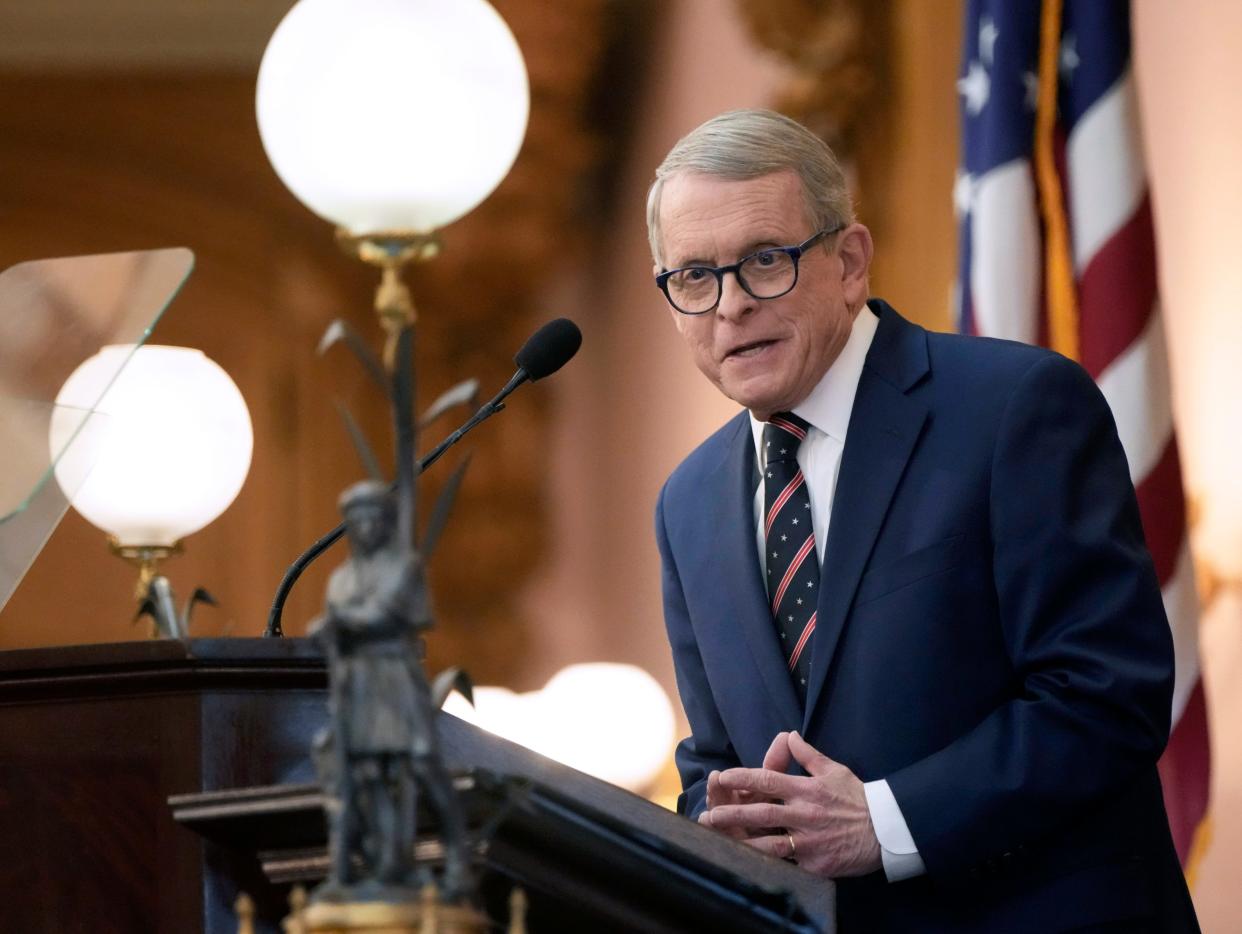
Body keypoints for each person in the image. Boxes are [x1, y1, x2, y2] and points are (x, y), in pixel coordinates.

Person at [650, 109, 1198, 932]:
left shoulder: (1014, 408)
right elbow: (713, 762)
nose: (729, 305)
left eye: (764, 260)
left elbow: (1105, 694)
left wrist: (884, 822)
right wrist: (715, 821)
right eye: (693, 275)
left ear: (848, 261)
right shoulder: (686, 501)